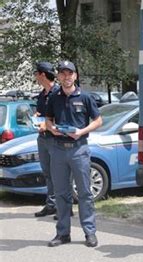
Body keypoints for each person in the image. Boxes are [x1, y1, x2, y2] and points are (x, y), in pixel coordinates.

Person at [45, 61, 103, 248]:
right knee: (61, 193)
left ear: (75, 76)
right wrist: (52, 128)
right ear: (59, 77)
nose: (66, 77)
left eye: (70, 73)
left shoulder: (85, 97)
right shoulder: (54, 97)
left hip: (79, 148)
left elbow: (98, 120)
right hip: (59, 149)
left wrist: (81, 131)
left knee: (85, 193)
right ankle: (63, 233)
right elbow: (48, 119)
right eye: (63, 73)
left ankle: (90, 233)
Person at [32, 62, 61, 218]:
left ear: (42, 74)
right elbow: (41, 113)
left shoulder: (58, 93)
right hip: (42, 138)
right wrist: (36, 117)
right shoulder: (42, 94)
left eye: (36, 73)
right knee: (48, 173)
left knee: (60, 173)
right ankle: (51, 205)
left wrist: (48, 125)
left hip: (55, 139)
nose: (35, 76)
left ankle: (64, 207)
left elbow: (63, 117)